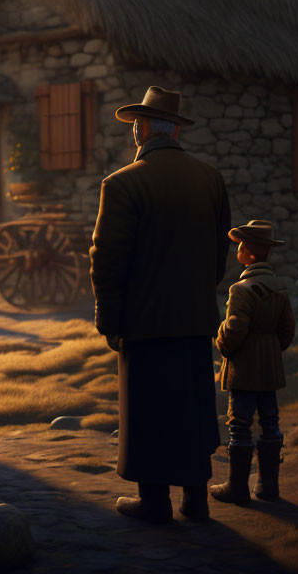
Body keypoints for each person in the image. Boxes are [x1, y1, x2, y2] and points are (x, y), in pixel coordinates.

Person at [90, 85, 231, 523]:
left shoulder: (122, 184)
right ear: (176, 131)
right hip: (193, 320)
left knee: (148, 413)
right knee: (190, 407)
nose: (134, 130)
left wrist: (109, 321)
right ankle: (196, 499)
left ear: (144, 128)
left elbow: (107, 261)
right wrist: (197, 293)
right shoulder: (209, 178)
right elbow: (218, 254)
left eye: (136, 124)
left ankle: (154, 502)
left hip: (145, 324)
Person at [211, 220, 295, 505]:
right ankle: (269, 486)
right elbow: (287, 330)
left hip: (245, 367)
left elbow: (233, 331)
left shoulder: (241, 290)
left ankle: (238, 488)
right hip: (270, 365)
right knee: (271, 421)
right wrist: (271, 349)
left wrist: (220, 342)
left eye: (240, 247)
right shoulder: (279, 287)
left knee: (240, 424)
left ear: (247, 253)